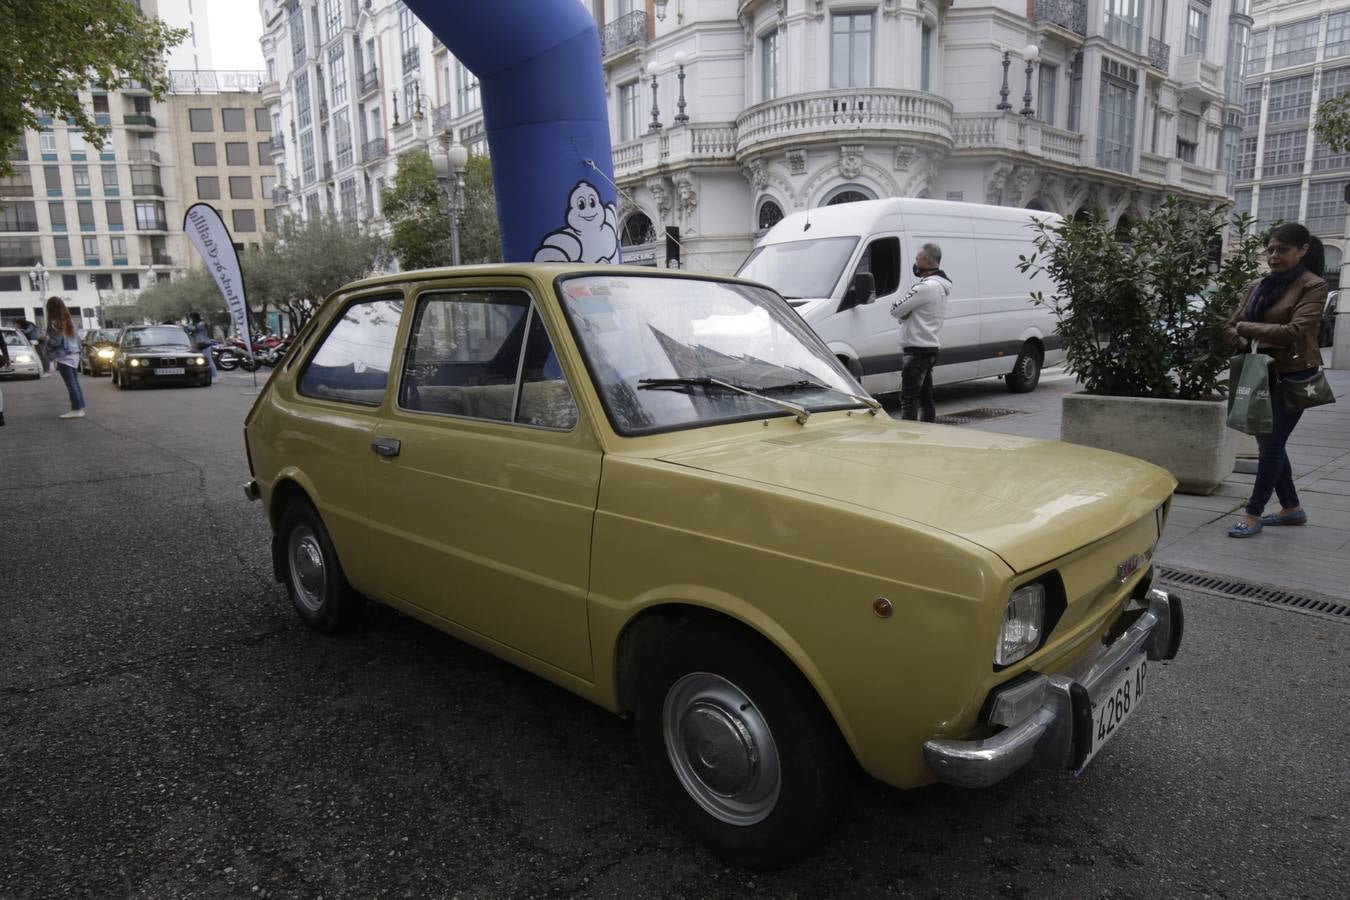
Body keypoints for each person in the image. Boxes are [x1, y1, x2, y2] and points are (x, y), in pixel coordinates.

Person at [1222, 223, 1328, 538]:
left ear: (1303, 250)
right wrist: (1242, 334)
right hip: (1259, 372)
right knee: (1269, 442)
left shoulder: (1314, 285)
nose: (1273, 256)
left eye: (1282, 250)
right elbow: (1230, 326)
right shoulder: (1258, 285)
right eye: (1270, 249)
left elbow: (1294, 331)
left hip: (1294, 375)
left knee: (1271, 444)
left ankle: (1253, 513)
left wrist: (1246, 329)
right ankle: (1291, 507)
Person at [889, 242, 952, 422]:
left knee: (908, 399)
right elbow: (906, 313)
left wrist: (905, 313)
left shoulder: (925, 288)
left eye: (917, 258)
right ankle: (928, 433)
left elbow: (896, 309)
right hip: (929, 347)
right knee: (926, 397)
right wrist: (906, 314)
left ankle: (909, 440)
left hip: (916, 350)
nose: (915, 263)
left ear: (926, 260)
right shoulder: (940, 287)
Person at [45, 296, 86, 419]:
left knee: (71, 384)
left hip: (64, 356)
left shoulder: (54, 323)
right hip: (74, 354)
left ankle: (76, 408)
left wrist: (45, 339)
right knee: (75, 383)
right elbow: (77, 339)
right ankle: (80, 407)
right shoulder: (69, 321)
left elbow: (56, 342)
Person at [189, 311, 218, 378]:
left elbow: (193, 328)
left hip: (205, 343)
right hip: (198, 344)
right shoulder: (195, 323)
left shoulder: (201, 323)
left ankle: (214, 375)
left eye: (192, 317)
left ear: (195, 317)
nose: (191, 319)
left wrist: (187, 326)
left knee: (208, 359)